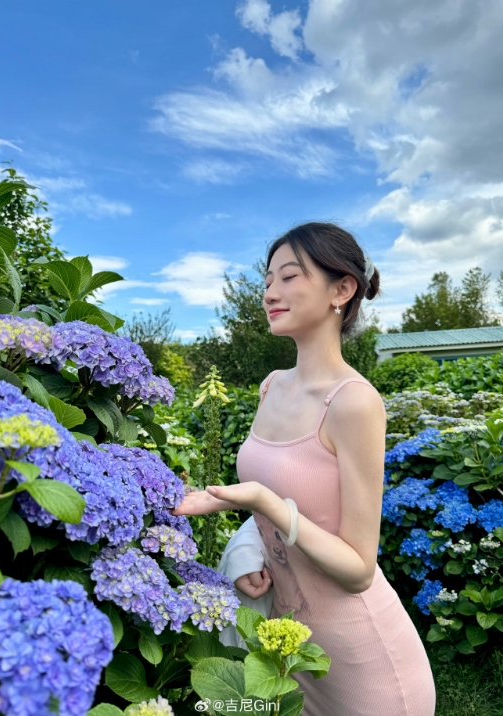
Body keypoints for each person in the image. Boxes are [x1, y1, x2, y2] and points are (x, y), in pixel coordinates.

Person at [170, 222, 437, 716]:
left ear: (342, 289)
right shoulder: (272, 386)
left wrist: (262, 501)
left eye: (290, 276)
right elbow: (276, 504)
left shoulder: (354, 403)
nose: (271, 292)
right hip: (284, 651)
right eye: (268, 279)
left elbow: (358, 570)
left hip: (362, 667)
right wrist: (249, 546)